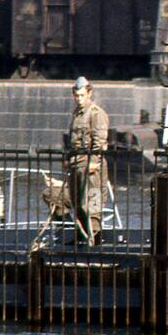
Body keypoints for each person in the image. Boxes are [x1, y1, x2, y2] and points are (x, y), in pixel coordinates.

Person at [68, 77, 109, 246]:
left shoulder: (96, 113)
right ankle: (81, 234)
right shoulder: (77, 113)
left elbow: (99, 140)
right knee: (76, 200)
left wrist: (94, 161)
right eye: (77, 96)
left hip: (89, 161)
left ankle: (95, 236)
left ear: (89, 93)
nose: (79, 99)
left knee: (92, 199)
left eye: (82, 95)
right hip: (77, 160)